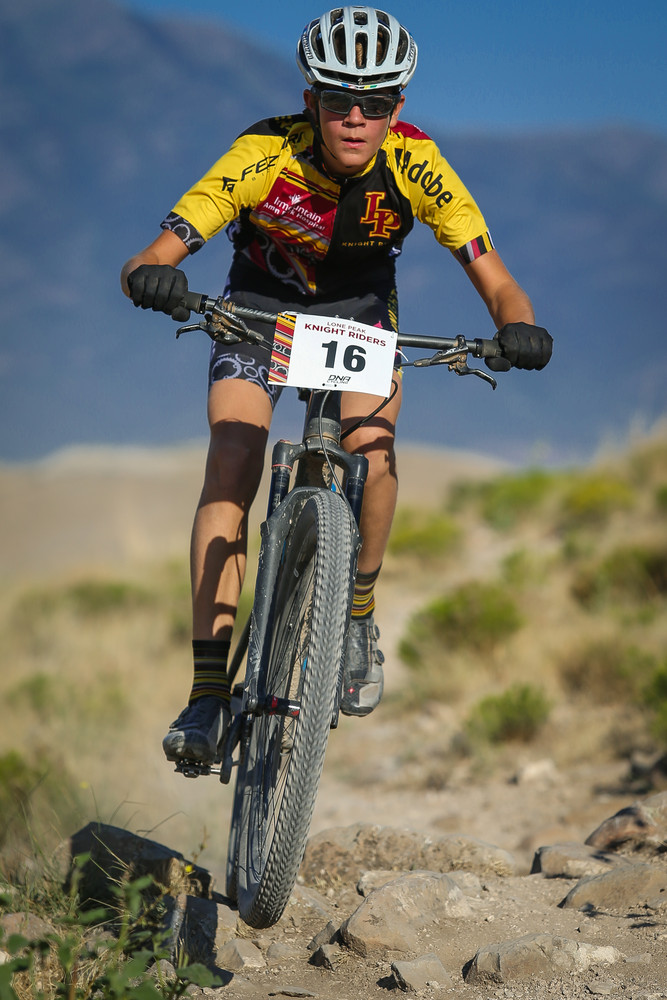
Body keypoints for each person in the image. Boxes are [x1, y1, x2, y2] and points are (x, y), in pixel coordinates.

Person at [120, 6, 552, 765]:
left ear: (397, 108)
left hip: (358, 316)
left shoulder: (418, 165)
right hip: (259, 310)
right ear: (310, 99)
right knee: (232, 457)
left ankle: (355, 615)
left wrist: (520, 327)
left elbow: (498, 281)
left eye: (374, 104)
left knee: (373, 454)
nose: (355, 119)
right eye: (337, 100)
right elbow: (156, 251)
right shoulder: (264, 152)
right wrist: (152, 275)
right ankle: (206, 692)